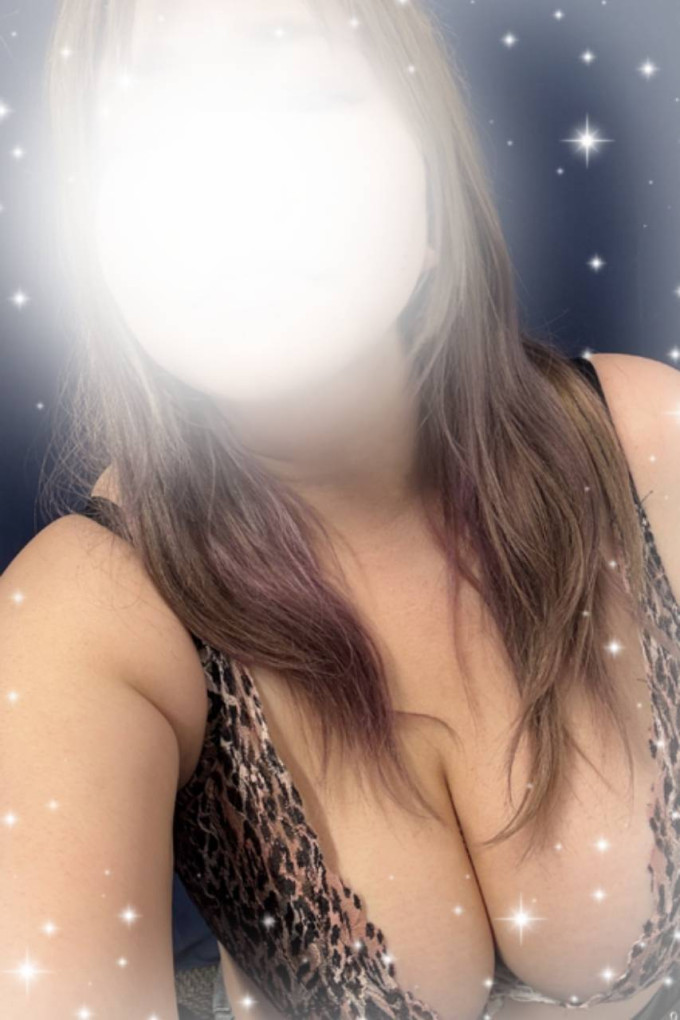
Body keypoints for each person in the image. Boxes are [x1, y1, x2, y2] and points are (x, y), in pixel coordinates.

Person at [2, 1, 679, 1018]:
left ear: (432, 189)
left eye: (305, 97)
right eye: (148, 133)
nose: (235, 185)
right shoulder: (80, 621)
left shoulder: (647, 444)